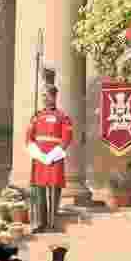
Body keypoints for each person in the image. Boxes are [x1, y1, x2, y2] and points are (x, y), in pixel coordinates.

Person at [25, 75, 75, 233]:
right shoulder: (37, 116)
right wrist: (37, 153)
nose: (44, 99)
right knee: (39, 190)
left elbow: (67, 138)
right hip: (39, 157)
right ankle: (40, 223)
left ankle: (52, 224)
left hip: (55, 157)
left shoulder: (62, 117)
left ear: (54, 97)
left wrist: (52, 155)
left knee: (54, 190)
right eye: (42, 96)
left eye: (47, 96)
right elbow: (29, 137)